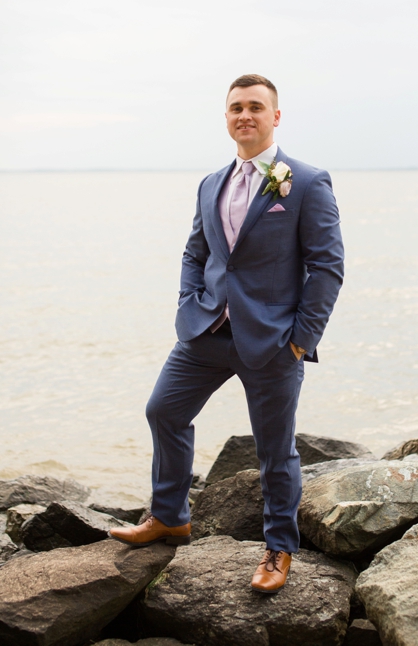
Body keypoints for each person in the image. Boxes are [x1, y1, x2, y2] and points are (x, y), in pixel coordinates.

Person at [109, 74, 345, 595]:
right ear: (226, 116)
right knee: (163, 410)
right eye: (236, 107)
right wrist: (187, 304)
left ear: (275, 116)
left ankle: (279, 548)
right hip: (206, 331)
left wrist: (302, 338)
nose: (245, 115)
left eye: (256, 107)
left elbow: (327, 267)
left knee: (273, 450)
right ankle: (170, 515)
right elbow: (197, 252)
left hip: (273, 340)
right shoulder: (210, 183)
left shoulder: (306, 182)